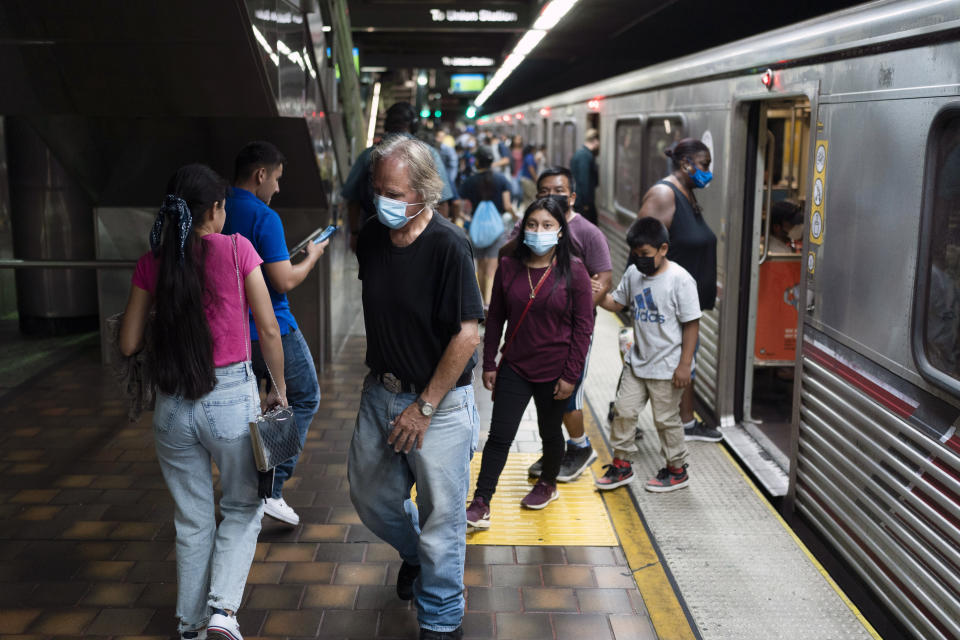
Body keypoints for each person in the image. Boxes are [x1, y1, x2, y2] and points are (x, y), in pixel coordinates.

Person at [119, 164, 287, 640]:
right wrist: (277, 387)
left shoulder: (153, 261)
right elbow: (269, 327)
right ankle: (222, 613)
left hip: (172, 406)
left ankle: (191, 627)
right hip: (231, 398)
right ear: (214, 209)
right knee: (242, 506)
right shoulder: (238, 250)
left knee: (192, 520)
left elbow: (130, 343)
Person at [348, 135, 484, 640]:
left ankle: (442, 618)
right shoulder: (372, 237)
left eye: (395, 192)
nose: (382, 200)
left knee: (443, 517)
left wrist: (424, 406)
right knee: (371, 497)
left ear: (425, 192)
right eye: (377, 188)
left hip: (439, 405)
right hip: (380, 394)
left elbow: (468, 334)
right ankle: (414, 554)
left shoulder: (449, 246)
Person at [466, 197, 595, 528]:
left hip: (556, 370)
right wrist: (490, 362)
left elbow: (584, 328)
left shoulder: (575, 272)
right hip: (516, 367)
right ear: (523, 229)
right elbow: (494, 317)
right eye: (533, 225)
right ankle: (482, 501)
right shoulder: (508, 266)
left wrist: (572, 375)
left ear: (561, 232)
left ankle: (547, 483)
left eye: (547, 225)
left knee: (550, 432)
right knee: (499, 435)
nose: (539, 231)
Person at [223, 141, 324, 526]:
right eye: (276, 179)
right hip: (272, 328)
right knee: (300, 397)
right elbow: (282, 280)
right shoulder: (264, 217)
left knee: (251, 407)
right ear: (260, 174)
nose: (277, 189)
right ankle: (271, 489)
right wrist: (311, 257)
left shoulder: (217, 208)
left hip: (230, 331)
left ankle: (247, 489)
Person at [503, 167, 613, 483]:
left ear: (572, 196)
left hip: (573, 331)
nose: (551, 197)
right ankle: (559, 449)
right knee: (550, 396)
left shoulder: (589, 233)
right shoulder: (529, 226)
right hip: (537, 330)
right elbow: (506, 258)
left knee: (568, 395)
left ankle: (580, 447)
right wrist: (525, 232)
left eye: (559, 191)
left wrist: (575, 312)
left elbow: (604, 279)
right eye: (544, 192)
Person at [594, 217, 701, 492]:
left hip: (668, 366)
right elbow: (617, 303)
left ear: (663, 249)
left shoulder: (680, 280)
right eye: (635, 254)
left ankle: (677, 469)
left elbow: (692, 324)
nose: (639, 259)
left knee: (665, 420)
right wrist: (598, 296)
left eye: (645, 255)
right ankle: (622, 464)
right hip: (637, 362)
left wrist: (685, 365)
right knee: (624, 412)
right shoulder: (633, 274)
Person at [637, 137, 721, 442]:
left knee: (685, 362)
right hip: (667, 304)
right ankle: (625, 413)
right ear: (686, 164)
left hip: (685, 304)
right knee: (665, 362)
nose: (709, 172)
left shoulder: (687, 193)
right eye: (705, 165)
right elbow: (642, 248)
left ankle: (685, 422)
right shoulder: (664, 194)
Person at [343, 102, 457, 251]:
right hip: (419, 241)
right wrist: (440, 239)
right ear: (414, 125)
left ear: (386, 125)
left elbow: (352, 199)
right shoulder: (428, 154)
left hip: (374, 241)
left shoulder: (368, 156)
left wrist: (355, 233)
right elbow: (442, 201)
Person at [459, 145, 515, 306]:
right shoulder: (502, 180)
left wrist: (465, 218)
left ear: (477, 162)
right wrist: (515, 216)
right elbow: (507, 204)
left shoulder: (469, 181)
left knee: (481, 266)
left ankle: (481, 302)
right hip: (497, 227)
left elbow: (462, 206)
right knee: (492, 267)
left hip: (476, 228)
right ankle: (489, 304)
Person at [570, 128, 600, 225]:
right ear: (595, 140)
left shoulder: (580, 153)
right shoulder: (586, 156)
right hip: (583, 202)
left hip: (579, 199)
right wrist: (586, 203)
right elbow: (584, 180)